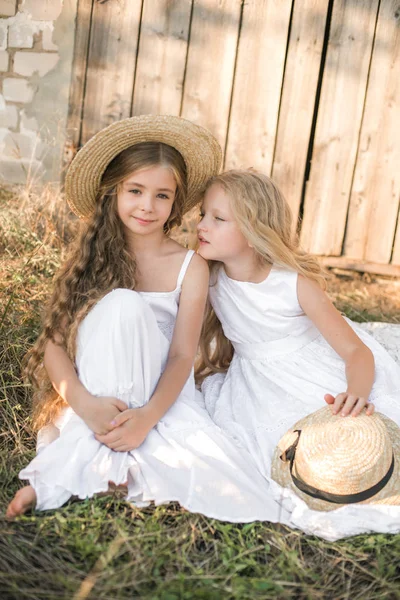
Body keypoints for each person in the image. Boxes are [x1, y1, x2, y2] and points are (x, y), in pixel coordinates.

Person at [6, 118, 275, 520]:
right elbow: (55, 346)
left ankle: (69, 476)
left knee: (126, 308)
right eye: (135, 191)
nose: (147, 206)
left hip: (158, 394)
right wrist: (84, 404)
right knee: (120, 305)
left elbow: (183, 356)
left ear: (176, 204)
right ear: (113, 192)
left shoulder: (189, 267)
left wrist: (148, 416)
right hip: (97, 394)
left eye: (162, 195)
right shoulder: (91, 259)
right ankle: (77, 467)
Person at [196, 168, 400, 540]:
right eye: (202, 215)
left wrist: (356, 391)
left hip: (314, 369)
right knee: (280, 451)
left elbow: (356, 351)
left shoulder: (292, 284)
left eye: (218, 219)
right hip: (257, 381)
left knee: (339, 438)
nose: (202, 226)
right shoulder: (207, 276)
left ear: (255, 231)